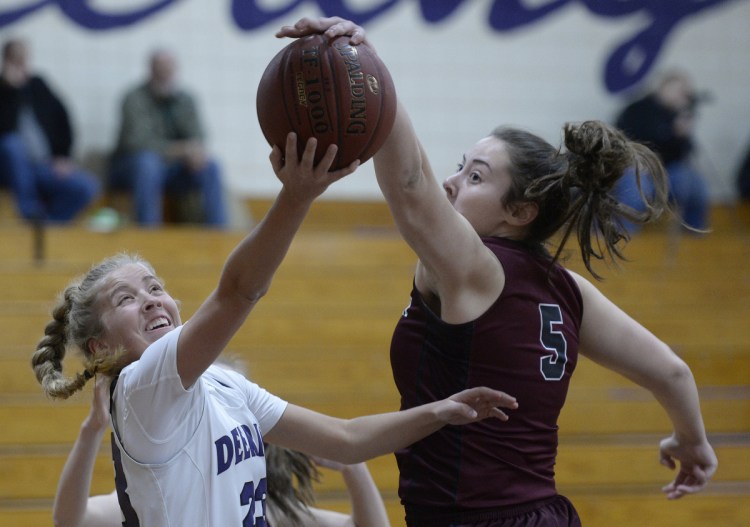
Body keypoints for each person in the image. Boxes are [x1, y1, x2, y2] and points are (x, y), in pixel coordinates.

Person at [277, 18, 719, 527]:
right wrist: (692, 441)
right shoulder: (568, 289)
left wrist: (367, 71)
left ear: (520, 213)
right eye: (462, 165)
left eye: (476, 176)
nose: (451, 181)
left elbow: (411, 186)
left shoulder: (475, 270)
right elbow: (671, 372)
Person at [32, 132, 516, 526]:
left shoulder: (223, 385)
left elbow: (346, 439)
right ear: (100, 346)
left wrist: (440, 412)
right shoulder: (139, 388)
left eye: (154, 286)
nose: (152, 299)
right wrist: (297, 195)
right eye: (126, 298)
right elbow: (238, 291)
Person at [52, 374, 392, 527]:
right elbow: (71, 519)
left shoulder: (266, 510)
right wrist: (91, 430)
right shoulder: (156, 493)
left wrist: (353, 467)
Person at [109, 48, 227, 227]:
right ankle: (148, 233)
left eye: (168, 69)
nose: (164, 74)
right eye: (160, 69)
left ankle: (218, 233)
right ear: (151, 70)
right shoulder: (134, 98)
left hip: (172, 171)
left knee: (211, 166)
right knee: (147, 163)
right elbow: (136, 142)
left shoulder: (186, 99)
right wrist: (181, 150)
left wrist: (195, 153)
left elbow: (198, 137)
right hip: (131, 168)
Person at [0, 38, 100, 223]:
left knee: (87, 187)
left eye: (24, 59)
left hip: (44, 166)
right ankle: (29, 211)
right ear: (5, 60)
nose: (21, 65)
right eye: (15, 60)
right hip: (10, 169)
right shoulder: (3, 90)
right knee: (12, 144)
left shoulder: (38, 85)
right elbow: (5, 128)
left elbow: (63, 121)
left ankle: (47, 226)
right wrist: (10, 90)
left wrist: (63, 156)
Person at [612, 69, 711, 233]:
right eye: (679, 90)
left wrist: (682, 135)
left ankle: (694, 237)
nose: (682, 96)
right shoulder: (637, 110)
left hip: (667, 171)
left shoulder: (679, 114)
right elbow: (626, 141)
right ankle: (624, 235)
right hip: (638, 168)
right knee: (635, 191)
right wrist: (670, 132)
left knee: (696, 186)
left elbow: (683, 153)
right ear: (663, 87)